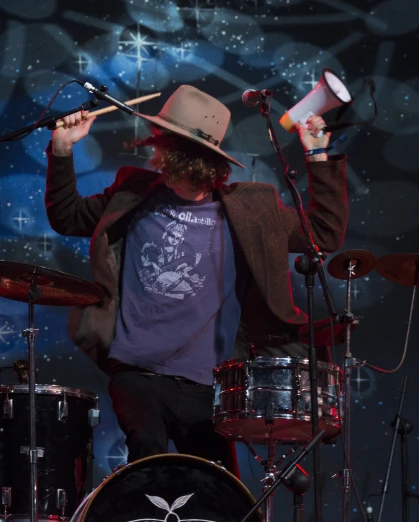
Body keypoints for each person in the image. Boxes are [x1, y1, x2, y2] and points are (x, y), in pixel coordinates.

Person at [45, 85, 348, 473]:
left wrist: (317, 153)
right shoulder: (133, 192)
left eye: (166, 152)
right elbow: (68, 217)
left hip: (209, 383)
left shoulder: (250, 209)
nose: (157, 158)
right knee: (146, 458)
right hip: (136, 372)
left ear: (192, 160)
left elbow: (323, 233)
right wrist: (63, 150)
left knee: (216, 487)